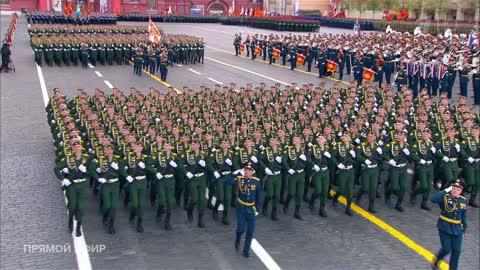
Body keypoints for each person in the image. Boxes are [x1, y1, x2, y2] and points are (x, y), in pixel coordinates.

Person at [431, 179, 468, 270]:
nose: (455, 191)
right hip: (445, 227)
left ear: (461, 191)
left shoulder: (463, 201)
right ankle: (436, 260)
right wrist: (445, 190)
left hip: (457, 229)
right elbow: (433, 199)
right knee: (446, 249)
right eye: (454, 188)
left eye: (458, 189)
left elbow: (463, 216)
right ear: (451, 188)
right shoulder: (444, 197)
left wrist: (464, 229)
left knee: (456, 251)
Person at [234, 162, 261, 258]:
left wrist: (257, 208)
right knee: (240, 229)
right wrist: (235, 173)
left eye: (249, 170)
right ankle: (237, 238)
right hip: (241, 208)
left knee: (250, 231)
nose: (246, 171)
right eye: (245, 169)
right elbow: (228, 181)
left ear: (252, 172)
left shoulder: (256, 181)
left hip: (251, 208)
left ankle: (246, 250)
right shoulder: (239, 179)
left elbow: (258, 196)